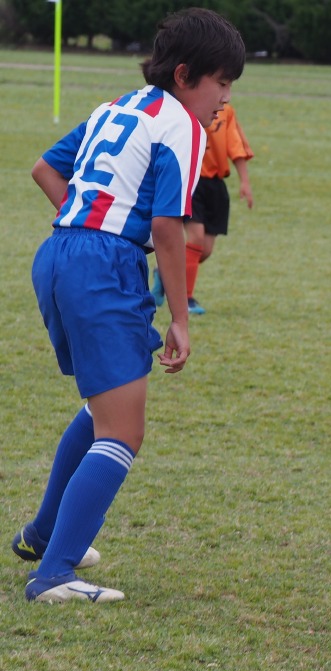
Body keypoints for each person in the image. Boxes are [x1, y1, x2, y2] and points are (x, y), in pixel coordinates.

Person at [13, 8, 245, 603]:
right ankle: (54, 575)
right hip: (103, 265)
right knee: (123, 432)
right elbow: (168, 228)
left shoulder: (117, 106)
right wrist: (180, 318)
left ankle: (43, 534)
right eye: (221, 82)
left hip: (59, 253)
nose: (225, 98)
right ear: (185, 75)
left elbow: (44, 169)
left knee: (105, 407)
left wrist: (87, 222)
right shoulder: (183, 126)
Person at [151, 102, 253, 315]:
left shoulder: (226, 112)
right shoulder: (185, 107)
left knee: (204, 250)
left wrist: (245, 181)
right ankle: (186, 299)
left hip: (215, 185)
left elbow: (236, 147)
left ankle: (163, 272)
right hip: (192, 181)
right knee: (195, 238)